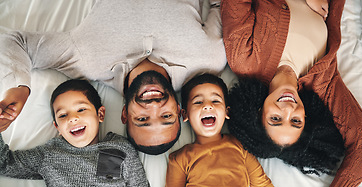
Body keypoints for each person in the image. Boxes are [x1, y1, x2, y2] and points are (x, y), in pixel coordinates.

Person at [221, 0, 362, 187]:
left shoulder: (244, 59)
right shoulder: (322, 81)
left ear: (259, 113)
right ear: (306, 117)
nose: (288, 109)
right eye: (296, 121)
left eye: (275, 118)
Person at [0, 0, 227, 155]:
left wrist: (19, 87)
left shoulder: (87, 60)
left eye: (143, 119)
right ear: (179, 110)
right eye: (166, 116)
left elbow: (18, 42)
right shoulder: (209, 58)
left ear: (124, 115)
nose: (153, 106)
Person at [0, 79, 154, 187]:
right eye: (63, 115)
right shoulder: (51, 154)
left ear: (100, 114)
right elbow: (5, 163)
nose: (72, 118)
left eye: (81, 109)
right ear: (57, 127)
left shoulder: (120, 150)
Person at [163, 74, 300, 187]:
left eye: (215, 101)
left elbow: (263, 186)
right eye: (198, 102)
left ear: (226, 112)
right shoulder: (180, 157)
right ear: (184, 114)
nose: (207, 106)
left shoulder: (239, 146)